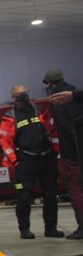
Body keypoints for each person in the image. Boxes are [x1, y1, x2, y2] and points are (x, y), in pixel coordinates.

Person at [0, 84, 63, 239]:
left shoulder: (40, 111)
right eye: (19, 95)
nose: (23, 97)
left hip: (46, 159)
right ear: (13, 98)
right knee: (24, 196)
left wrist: (56, 151)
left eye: (25, 93)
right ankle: (24, 229)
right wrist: (15, 161)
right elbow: (4, 141)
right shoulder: (10, 116)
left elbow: (53, 130)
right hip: (25, 161)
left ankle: (51, 228)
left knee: (50, 195)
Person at [43, 68, 83, 239]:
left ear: (50, 83)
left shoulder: (58, 98)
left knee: (75, 187)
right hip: (78, 148)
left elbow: (65, 127)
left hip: (72, 152)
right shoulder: (74, 91)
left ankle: (82, 226)